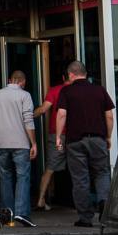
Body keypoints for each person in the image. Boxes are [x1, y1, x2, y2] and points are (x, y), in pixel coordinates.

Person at [55, 61, 114, 228]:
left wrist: (59, 137)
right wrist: (108, 136)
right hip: (97, 139)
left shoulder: (67, 91)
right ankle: (103, 202)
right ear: (85, 74)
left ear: (71, 75)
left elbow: (61, 115)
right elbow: (109, 116)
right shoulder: (99, 90)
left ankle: (85, 218)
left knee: (80, 178)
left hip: (75, 141)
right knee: (102, 173)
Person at [0, 70, 38, 225]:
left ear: (10, 80)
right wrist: (33, 143)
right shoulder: (24, 95)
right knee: (22, 177)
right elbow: (28, 119)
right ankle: (22, 213)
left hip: (1, 143)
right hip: (20, 143)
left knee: (5, 177)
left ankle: (6, 213)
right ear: (22, 81)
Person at [31, 70, 68, 210]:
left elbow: (42, 109)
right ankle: (82, 203)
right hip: (77, 135)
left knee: (50, 168)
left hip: (56, 135)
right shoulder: (79, 90)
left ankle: (40, 200)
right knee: (79, 169)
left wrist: (26, 118)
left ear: (63, 77)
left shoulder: (55, 90)